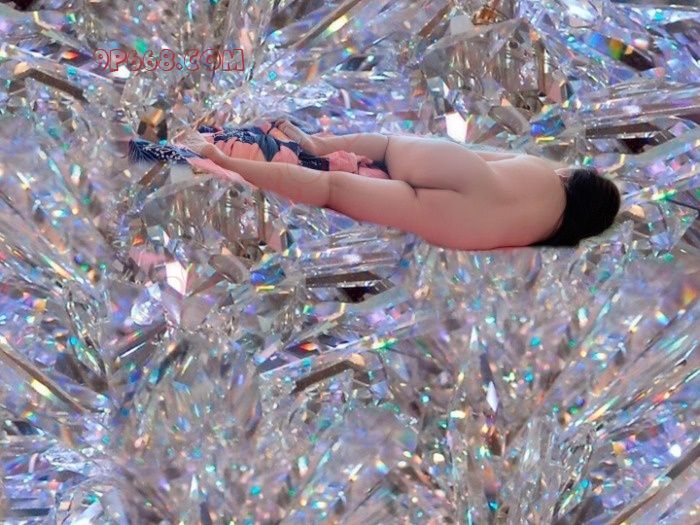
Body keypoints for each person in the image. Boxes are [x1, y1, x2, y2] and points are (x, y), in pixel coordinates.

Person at [174, 120, 622, 251]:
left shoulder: (546, 173)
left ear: (575, 179)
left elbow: (481, 155)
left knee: (388, 146)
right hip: (462, 220)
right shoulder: (548, 234)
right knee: (330, 188)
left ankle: (317, 143)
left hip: (466, 170)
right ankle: (220, 160)